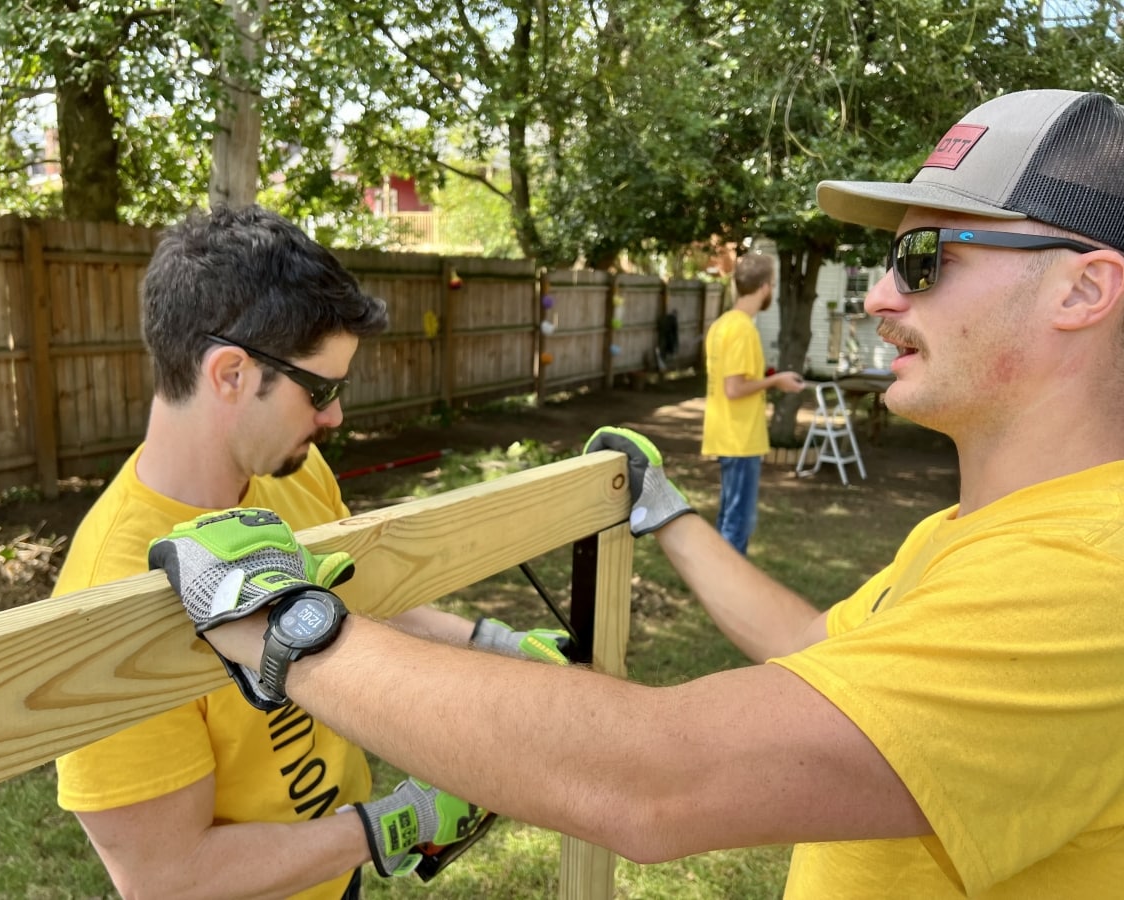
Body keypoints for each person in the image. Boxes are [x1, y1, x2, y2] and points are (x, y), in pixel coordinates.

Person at [150, 89, 1124, 898]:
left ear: (1082, 290)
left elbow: (665, 781)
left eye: (926, 259)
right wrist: (671, 516)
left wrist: (283, 627)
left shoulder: (1089, 578)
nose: (879, 295)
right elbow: (826, 654)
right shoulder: (991, 533)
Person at [52, 205, 568, 899]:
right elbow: (166, 878)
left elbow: (352, 603)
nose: (335, 417)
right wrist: (396, 823)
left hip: (331, 877)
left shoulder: (288, 475)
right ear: (230, 373)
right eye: (319, 389)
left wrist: (490, 643)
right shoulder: (104, 597)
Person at [701, 251, 804, 553]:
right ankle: (729, 594)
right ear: (765, 287)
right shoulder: (743, 329)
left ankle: (720, 586)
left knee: (728, 518)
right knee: (738, 524)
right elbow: (734, 388)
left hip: (726, 434)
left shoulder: (722, 325)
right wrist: (777, 380)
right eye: (771, 283)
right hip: (740, 439)